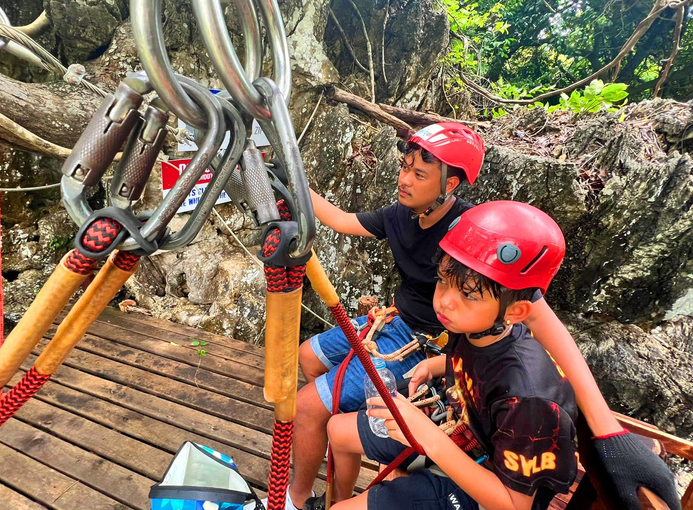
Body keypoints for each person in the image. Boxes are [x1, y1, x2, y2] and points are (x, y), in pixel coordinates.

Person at [284, 123, 678, 510]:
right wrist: (291, 179)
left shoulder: (476, 240)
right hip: (444, 392)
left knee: (310, 407)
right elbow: (340, 219)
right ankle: (333, 465)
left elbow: (540, 319)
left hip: (450, 408)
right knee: (317, 376)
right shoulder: (464, 321)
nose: (446, 302)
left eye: (419, 173)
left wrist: (607, 429)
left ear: (449, 185)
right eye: (405, 167)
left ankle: (303, 495)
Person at [326, 200, 578, 510]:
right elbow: (479, 367)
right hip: (460, 432)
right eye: (443, 282)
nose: (445, 302)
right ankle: (338, 499)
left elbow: (514, 505)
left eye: (468, 295)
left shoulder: (529, 402)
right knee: (337, 430)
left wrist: (430, 437)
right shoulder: (476, 328)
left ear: (515, 311)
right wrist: (434, 366)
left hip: (486, 487)